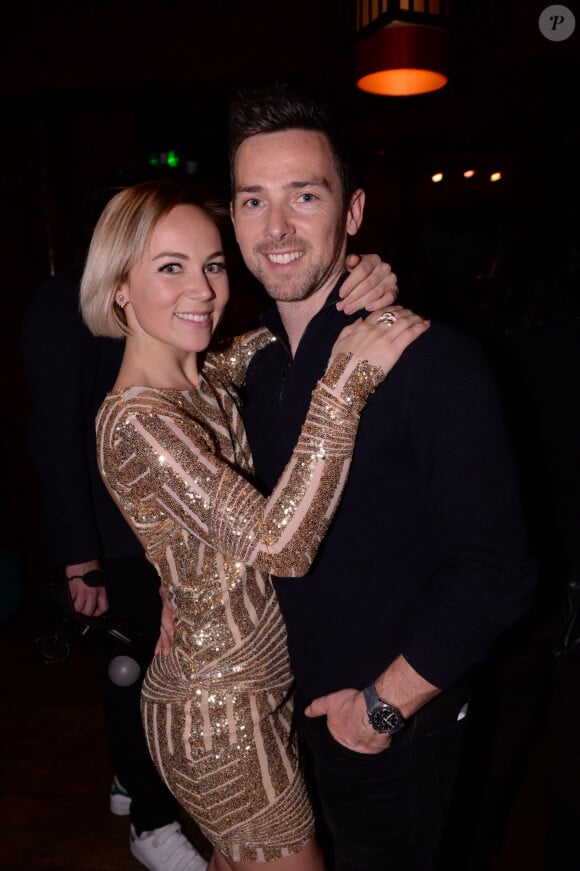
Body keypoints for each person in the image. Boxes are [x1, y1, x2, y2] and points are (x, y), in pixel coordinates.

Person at [226, 85, 538, 870]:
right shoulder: (254, 369)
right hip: (278, 720)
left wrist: (381, 710)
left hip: (389, 726)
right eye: (254, 200)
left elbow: (498, 572)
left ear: (353, 211)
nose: (279, 227)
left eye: (306, 195)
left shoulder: (432, 363)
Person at [78, 176, 427, 870]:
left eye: (212, 264)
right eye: (170, 268)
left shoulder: (201, 376)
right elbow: (280, 544)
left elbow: (270, 338)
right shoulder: (137, 421)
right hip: (220, 719)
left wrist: (356, 277)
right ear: (119, 286)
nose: (204, 290)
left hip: (250, 687)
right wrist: (346, 383)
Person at [20, 264, 211, 871]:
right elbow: (54, 433)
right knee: (139, 678)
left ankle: (131, 783)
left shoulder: (164, 297)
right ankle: (151, 826)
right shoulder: (64, 303)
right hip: (111, 539)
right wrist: (80, 559)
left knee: (144, 678)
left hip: (163, 527)